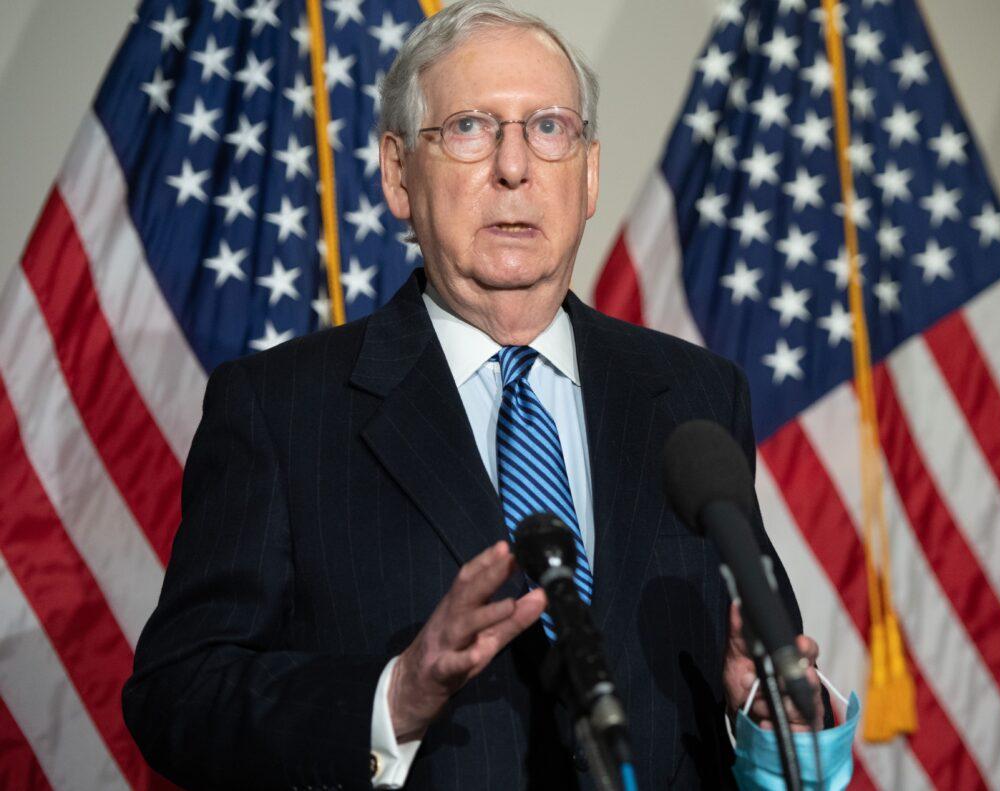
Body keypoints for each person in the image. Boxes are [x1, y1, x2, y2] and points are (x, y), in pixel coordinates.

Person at [123, 3, 838, 788]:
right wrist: (392, 696)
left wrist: (768, 721)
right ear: (398, 174)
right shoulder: (280, 408)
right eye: (470, 127)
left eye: (549, 128)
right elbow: (177, 696)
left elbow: (751, 671)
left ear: (589, 172)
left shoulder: (696, 396)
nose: (514, 167)